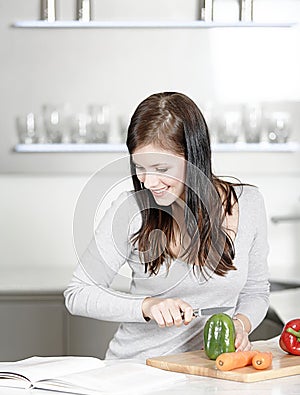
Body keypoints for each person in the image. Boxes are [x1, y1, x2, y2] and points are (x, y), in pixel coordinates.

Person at [64, 92, 270, 360]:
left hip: (209, 371)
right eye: (140, 167)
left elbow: (256, 291)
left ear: (194, 157)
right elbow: (78, 294)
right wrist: (147, 306)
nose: (149, 182)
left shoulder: (248, 204)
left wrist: (240, 324)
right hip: (136, 368)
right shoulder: (132, 210)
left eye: (161, 169)